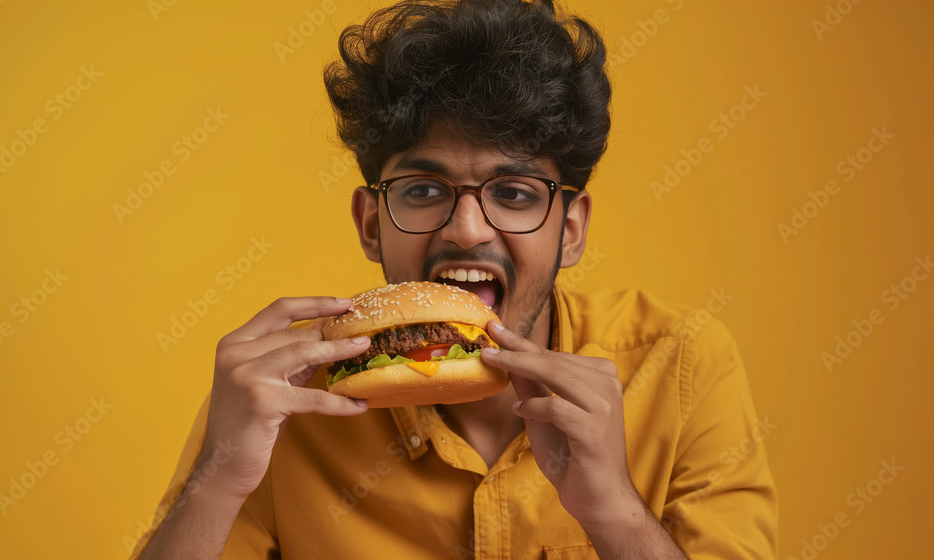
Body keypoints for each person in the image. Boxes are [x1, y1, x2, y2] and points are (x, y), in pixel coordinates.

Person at [131, 1, 778, 558]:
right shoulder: (285, 396)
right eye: (422, 189)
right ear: (370, 222)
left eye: (516, 193)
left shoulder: (682, 365)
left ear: (571, 227)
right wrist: (217, 483)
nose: (467, 229)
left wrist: (614, 511)